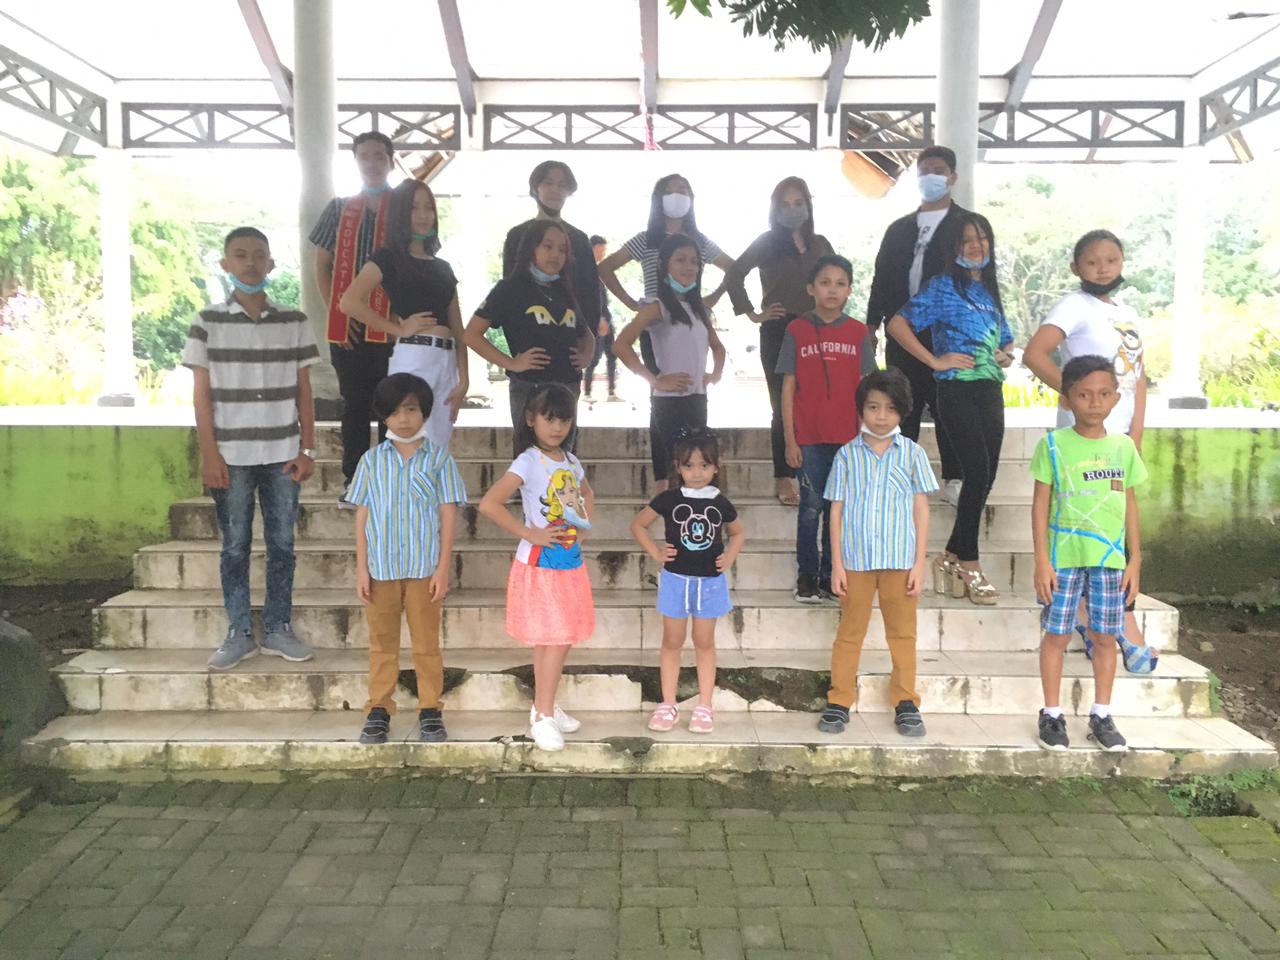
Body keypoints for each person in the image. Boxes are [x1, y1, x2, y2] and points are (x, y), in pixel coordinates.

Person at [184, 227, 319, 670]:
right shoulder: (207, 321)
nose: (250, 263)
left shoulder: (293, 321)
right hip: (231, 456)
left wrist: (308, 449)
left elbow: (304, 389)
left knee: (282, 544)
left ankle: (278, 627)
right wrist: (210, 454)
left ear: (271, 264)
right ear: (226, 264)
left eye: (259, 255)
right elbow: (201, 395)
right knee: (235, 546)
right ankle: (239, 632)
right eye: (240, 255)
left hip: (283, 453)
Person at [1022, 229, 1153, 666]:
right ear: (1076, 267)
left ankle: (1104, 619)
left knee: (1113, 520)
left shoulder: (1128, 312)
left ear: (1122, 262)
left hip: (1118, 439)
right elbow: (1035, 354)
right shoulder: (1073, 305)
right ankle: (1114, 625)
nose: (1102, 268)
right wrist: (1077, 396)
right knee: (1081, 519)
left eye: (1111, 260)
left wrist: (1136, 432)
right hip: (1081, 439)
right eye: (1092, 261)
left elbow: (1138, 376)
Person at [887, 213, 1014, 605]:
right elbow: (897, 325)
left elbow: (1007, 339)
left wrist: (1005, 354)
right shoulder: (942, 286)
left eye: (982, 238)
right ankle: (969, 563)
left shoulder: (989, 290)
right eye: (967, 240)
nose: (976, 246)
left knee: (987, 474)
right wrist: (934, 360)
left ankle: (951, 555)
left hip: (991, 387)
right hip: (956, 389)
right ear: (954, 247)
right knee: (975, 470)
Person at [1031, 355, 1147, 753]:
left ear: (1116, 398)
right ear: (1066, 400)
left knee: (1104, 637)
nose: (1094, 403)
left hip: (1109, 561)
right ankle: (1051, 714)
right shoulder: (1052, 445)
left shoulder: (1123, 448)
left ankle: (1102, 714)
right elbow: (1040, 505)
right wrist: (1042, 561)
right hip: (1063, 559)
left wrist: (1135, 559)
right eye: (1083, 395)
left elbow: (1130, 503)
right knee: (1057, 635)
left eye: (1103, 394)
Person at [349, 373, 467, 744]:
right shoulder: (371, 461)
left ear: (424, 412)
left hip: (423, 570)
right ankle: (378, 708)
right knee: (381, 644)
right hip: (380, 569)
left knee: (426, 644)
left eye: (412, 409)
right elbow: (362, 515)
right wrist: (362, 568)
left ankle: (430, 709)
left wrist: (443, 568)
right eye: (395, 411)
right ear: (383, 415)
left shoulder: (439, 459)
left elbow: (448, 513)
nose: (403, 419)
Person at [819, 369, 937, 738]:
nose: (881, 416)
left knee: (902, 635)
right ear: (861, 409)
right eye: (873, 407)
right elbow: (836, 511)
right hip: (855, 562)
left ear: (902, 411)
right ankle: (839, 700)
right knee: (849, 633)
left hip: (900, 562)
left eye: (890, 408)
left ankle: (905, 701)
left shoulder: (912, 454)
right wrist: (837, 564)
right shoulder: (846, 456)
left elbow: (921, 509)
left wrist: (919, 564)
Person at [477, 383, 595, 752]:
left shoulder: (571, 461)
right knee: (552, 638)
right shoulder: (527, 461)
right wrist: (531, 533)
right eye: (549, 418)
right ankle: (543, 716)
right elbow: (490, 504)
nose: (557, 427)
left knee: (560, 639)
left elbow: (586, 494)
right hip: (540, 563)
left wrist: (582, 530)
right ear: (531, 420)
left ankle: (545, 705)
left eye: (564, 420)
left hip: (568, 561)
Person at [597, 174, 736, 469]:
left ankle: (683, 477)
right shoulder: (646, 238)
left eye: (683, 190)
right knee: (661, 399)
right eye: (670, 191)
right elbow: (606, 268)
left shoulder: (699, 241)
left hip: (691, 316)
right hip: (657, 321)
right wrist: (631, 303)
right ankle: (664, 477)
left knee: (695, 437)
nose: (677, 195)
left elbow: (733, 268)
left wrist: (710, 299)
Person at [724, 177, 835, 506]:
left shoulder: (821, 244)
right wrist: (752, 313)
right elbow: (734, 275)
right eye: (785, 204)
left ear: (808, 205)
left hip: (817, 330)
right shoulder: (767, 243)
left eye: (798, 203)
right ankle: (784, 476)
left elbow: (837, 280)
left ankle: (814, 468)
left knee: (815, 402)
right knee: (782, 404)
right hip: (779, 330)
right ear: (775, 208)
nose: (792, 210)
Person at [865, 146, 967, 505]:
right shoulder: (899, 229)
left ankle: (954, 477)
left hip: (947, 334)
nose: (930, 177)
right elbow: (881, 280)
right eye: (924, 171)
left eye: (938, 170)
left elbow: (982, 279)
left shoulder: (966, 227)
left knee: (948, 407)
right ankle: (898, 474)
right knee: (900, 404)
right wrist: (870, 326)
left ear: (952, 177)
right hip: (901, 331)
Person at [630, 428, 744, 735]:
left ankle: (704, 705)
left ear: (716, 468)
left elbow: (737, 532)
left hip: (710, 583)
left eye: (704, 465)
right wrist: (656, 551)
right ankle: (668, 703)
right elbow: (639, 525)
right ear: (678, 467)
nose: (696, 472)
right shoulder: (669, 499)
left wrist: (729, 556)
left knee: (704, 642)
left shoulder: (720, 502)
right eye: (689, 465)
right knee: (672, 641)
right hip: (675, 581)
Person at [339, 179, 468, 450]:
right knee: (409, 440)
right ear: (400, 213)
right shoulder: (388, 258)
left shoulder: (443, 267)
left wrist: (464, 378)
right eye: (414, 208)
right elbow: (349, 302)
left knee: (438, 446)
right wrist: (398, 329)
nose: (423, 215)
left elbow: (458, 328)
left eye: (428, 207)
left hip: (446, 362)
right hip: (414, 356)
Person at [777, 255, 876, 604]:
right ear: (811, 288)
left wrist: (869, 438)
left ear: (849, 290)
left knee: (841, 509)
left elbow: (868, 388)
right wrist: (790, 440)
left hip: (849, 440)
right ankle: (806, 575)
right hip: (808, 438)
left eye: (840, 283)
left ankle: (832, 574)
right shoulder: (796, 330)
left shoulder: (859, 333)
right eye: (824, 282)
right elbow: (788, 388)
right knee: (811, 507)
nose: (832, 290)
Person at [309, 131, 398, 506]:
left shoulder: (405, 208)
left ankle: (393, 480)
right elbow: (322, 266)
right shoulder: (338, 208)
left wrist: (401, 322)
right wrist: (337, 315)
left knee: (394, 405)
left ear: (391, 161)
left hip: (393, 327)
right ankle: (357, 480)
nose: (372, 163)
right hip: (349, 328)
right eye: (364, 156)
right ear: (356, 161)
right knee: (355, 405)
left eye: (379, 156)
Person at [614, 235, 727, 493]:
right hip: (669, 402)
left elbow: (718, 347)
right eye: (680, 260)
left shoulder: (699, 309)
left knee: (699, 468)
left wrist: (714, 375)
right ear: (663, 265)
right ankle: (672, 517)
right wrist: (654, 379)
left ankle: (696, 515)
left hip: (697, 399)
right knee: (677, 470)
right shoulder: (656, 307)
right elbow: (621, 345)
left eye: (694, 261)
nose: (689, 267)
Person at [464, 220, 595, 439]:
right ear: (531, 248)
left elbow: (586, 334)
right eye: (548, 246)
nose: (555, 255)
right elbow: (471, 334)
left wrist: (586, 356)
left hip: (568, 387)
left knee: (563, 453)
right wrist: (511, 363)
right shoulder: (510, 288)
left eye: (562, 250)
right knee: (531, 453)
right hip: (530, 387)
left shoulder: (564, 291)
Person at [501, 160, 603, 341]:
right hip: (529, 336)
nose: (555, 190)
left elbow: (591, 294)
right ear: (535, 188)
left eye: (562, 185)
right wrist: (518, 344)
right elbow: (510, 292)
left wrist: (587, 343)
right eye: (548, 183)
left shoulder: (579, 239)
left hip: (572, 336)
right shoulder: (517, 236)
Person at [582, 234, 620, 402]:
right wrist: (599, 319)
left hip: (606, 316)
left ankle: (611, 392)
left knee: (612, 354)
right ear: (592, 249)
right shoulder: (584, 272)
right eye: (601, 250)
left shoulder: (599, 270)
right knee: (594, 357)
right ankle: (587, 393)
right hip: (595, 319)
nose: (603, 254)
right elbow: (589, 299)